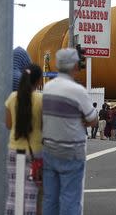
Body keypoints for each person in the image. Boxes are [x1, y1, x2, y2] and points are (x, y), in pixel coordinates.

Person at [42, 48, 98, 215]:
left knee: (50, 198)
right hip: (72, 151)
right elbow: (92, 118)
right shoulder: (77, 91)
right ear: (74, 66)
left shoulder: (48, 87)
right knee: (70, 199)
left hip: (49, 149)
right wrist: (80, 120)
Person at [4, 64, 43, 215]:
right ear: (39, 80)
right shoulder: (41, 99)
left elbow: (8, 124)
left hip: (14, 150)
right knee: (31, 195)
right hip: (35, 153)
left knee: (13, 194)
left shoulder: (13, 97)